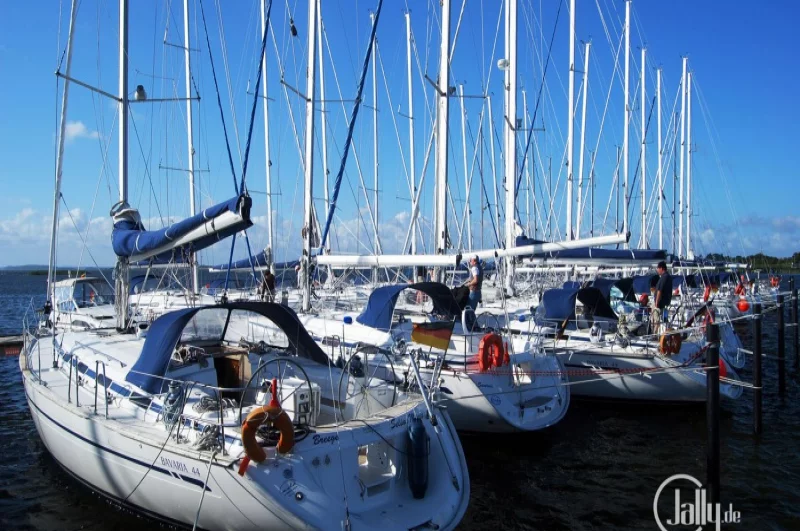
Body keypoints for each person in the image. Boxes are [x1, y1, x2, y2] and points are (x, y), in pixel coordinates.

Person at [465, 256, 483, 329]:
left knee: (469, 310)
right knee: (471, 310)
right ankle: (473, 326)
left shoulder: (474, 268)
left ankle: (474, 327)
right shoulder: (480, 267)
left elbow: (475, 280)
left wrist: (469, 284)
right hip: (478, 292)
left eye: (470, 260)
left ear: (474, 261)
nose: (469, 262)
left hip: (474, 292)